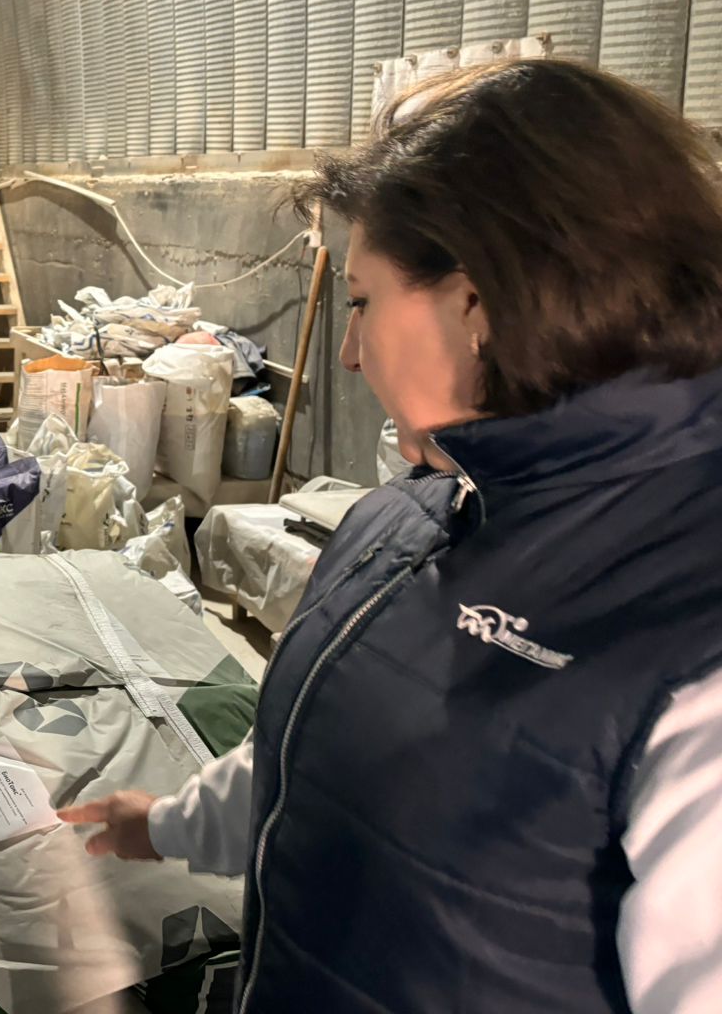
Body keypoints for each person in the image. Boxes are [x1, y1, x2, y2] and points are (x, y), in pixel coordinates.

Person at [60, 59, 722, 1013]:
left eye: (363, 302)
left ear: (478, 303)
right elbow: (327, 743)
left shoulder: (687, 640)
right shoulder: (412, 516)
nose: (347, 351)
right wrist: (169, 825)